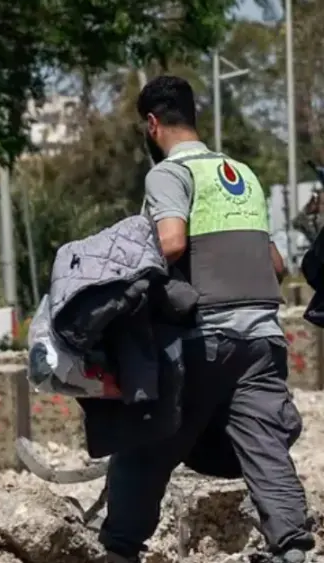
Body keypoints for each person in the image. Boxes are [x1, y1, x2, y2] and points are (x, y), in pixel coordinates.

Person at [100, 75, 314, 563]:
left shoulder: (169, 174)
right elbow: (277, 264)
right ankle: (294, 551)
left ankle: (119, 550)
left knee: (147, 440)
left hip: (203, 334)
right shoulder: (243, 173)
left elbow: (171, 242)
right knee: (266, 450)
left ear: (152, 124)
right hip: (262, 336)